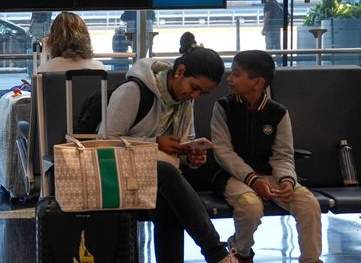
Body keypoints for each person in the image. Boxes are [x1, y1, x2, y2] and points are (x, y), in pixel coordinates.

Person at [103, 32, 236, 263]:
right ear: (180, 71)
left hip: (160, 179)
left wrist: (190, 155)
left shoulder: (185, 102)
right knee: (165, 174)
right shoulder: (134, 91)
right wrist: (155, 143)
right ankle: (216, 253)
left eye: (202, 93)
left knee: (168, 197)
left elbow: (184, 142)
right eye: (194, 88)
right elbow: (105, 141)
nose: (194, 96)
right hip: (117, 174)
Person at [211, 50, 322, 263]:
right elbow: (223, 152)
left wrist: (287, 181)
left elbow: (282, 155)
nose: (229, 79)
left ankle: (311, 259)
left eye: (236, 74)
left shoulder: (278, 113)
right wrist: (253, 179)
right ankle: (240, 250)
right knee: (250, 206)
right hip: (232, 178)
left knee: (308, 203)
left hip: (271, 177)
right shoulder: (223, 107)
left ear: (258, 83)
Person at [36, 11, 105, 73]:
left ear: (53, 39)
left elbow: (39, 83)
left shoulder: (45, 70)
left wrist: (46, 53)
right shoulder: (99, 68)